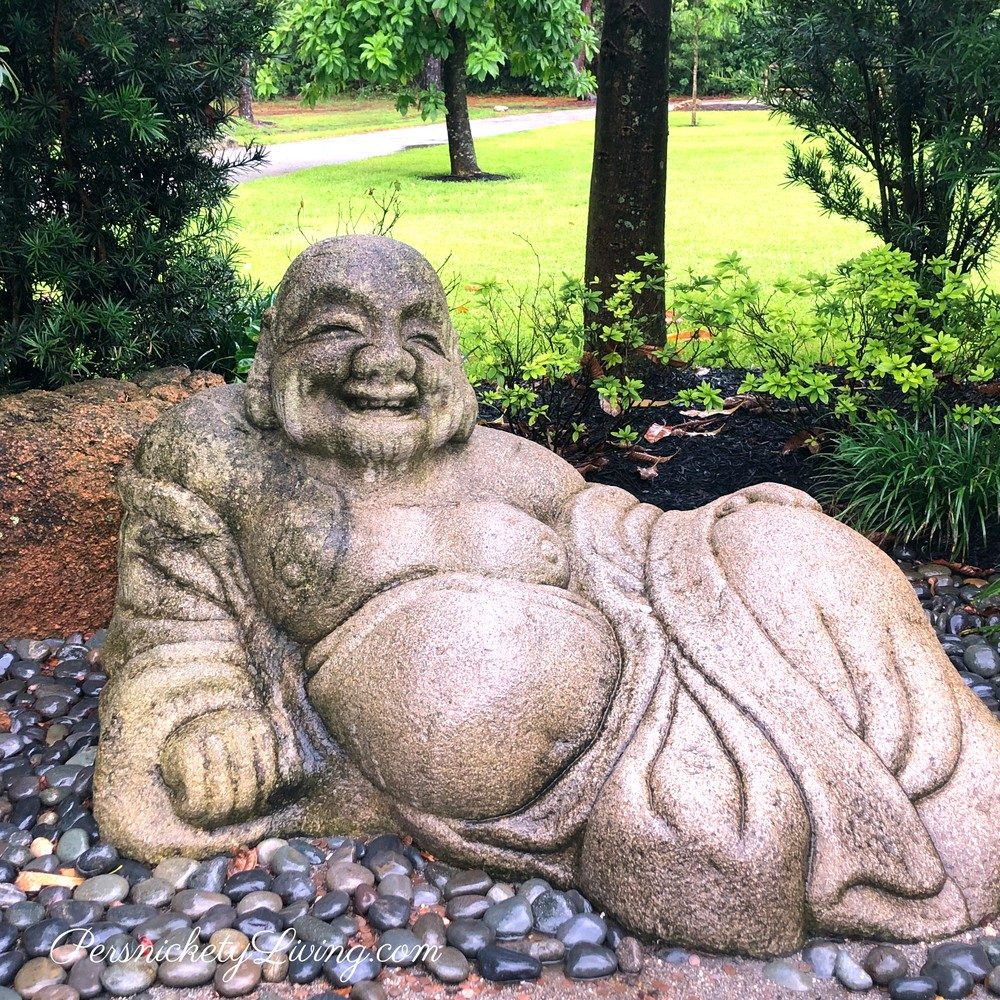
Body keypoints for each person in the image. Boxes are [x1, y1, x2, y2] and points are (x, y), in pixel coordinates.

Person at [95, 236, 1000, 956]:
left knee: (780, 541)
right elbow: (175, 635)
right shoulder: (216, 454)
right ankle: (754, 800)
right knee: (715, 842)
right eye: (338, 327)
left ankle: (935, 791)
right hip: (540, 737)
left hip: (655, 651)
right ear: (273, 354)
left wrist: (731, 527)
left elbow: (630, 537)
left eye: (418, 330)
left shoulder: (497, 462)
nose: (384, 360)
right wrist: (211, 722)